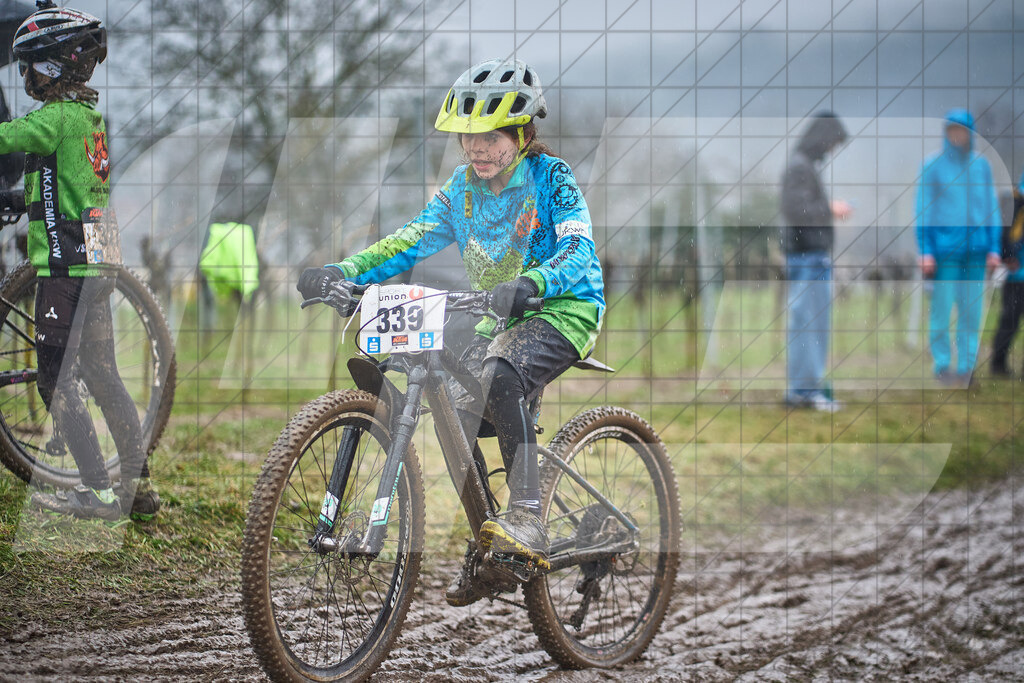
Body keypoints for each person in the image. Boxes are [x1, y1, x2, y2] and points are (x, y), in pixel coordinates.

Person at [297, 57, 604, 603]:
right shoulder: (462, 188)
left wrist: (535, 280)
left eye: (490, 137)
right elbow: (409, 237)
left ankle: (528, 516)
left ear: (522, 132)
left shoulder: (552, 179)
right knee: (457, 416)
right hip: (498, 312)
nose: (477, 149)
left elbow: (579, 249)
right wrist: (342, 271)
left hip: (561, 307)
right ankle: (488, 546)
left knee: (501, 371)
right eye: (467, 137)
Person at [0, 5, 159, 521]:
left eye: (29, 66)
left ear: (50, 67)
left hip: (65, 269)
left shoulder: (56, 119)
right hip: (99, 263)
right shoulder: (89, 120)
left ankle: (97, 491)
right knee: (103, 372)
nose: (24, 76)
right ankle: (139, 487)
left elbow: (8, 138)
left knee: (52, 377)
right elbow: (61, 187)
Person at [915, 109, 1000, 386]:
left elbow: (991, 207)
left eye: (961, 130)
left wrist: (994, 247)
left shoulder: (981, 166)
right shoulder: (933, 166)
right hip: (945, 253)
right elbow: (923, 208)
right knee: (941, 310)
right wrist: (925, 249)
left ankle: (966, 368)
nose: (956, 135)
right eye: (952, 130)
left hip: (976, 251)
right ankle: (942, 366)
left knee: (971, 312)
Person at [780, 111, 851, 411]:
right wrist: (830, 208)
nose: (832, 150)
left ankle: (805, 388)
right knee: (808, 325)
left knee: (808, 324)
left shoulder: (803, 166)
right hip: (808, 256)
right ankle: (805, 391)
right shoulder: (799, 167)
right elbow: (796, 210)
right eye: (832, 143)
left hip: (809, 256)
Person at [990, 169, 1024, 378]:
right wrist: (1006, 255)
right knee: (1009, 320)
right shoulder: (1011, 201)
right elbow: (1002, 231)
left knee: (1009, 320)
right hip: (1015, 273)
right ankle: (998, 364)